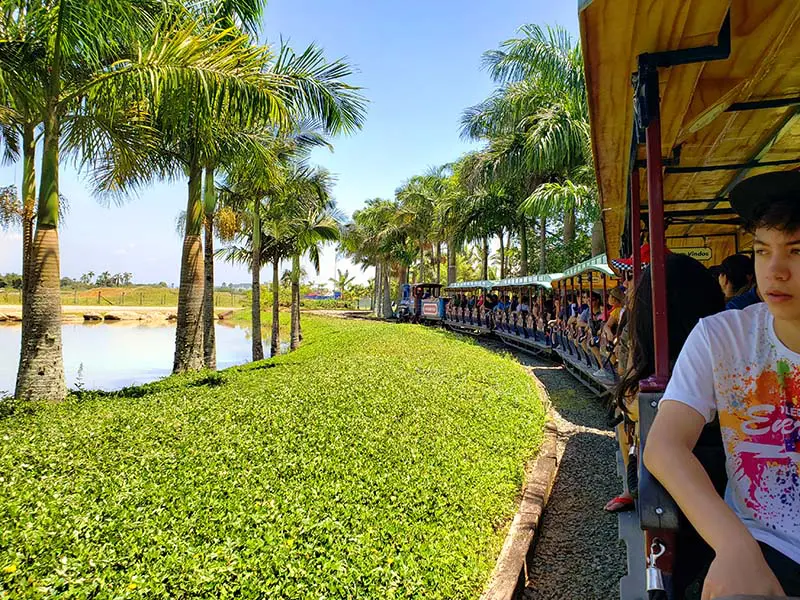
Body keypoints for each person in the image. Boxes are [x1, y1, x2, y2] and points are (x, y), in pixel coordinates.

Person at [644, 171, 800, 598]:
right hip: (764, 546)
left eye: (796, 251)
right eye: (762, 251)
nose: (775, 271)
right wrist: (735, 547)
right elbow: (663, 445)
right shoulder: (722, 337)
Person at [604, 254, 725, 519]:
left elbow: (632, 403)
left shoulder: (662, 377)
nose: (627, 286)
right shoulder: (729, 354)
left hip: (681, 512)